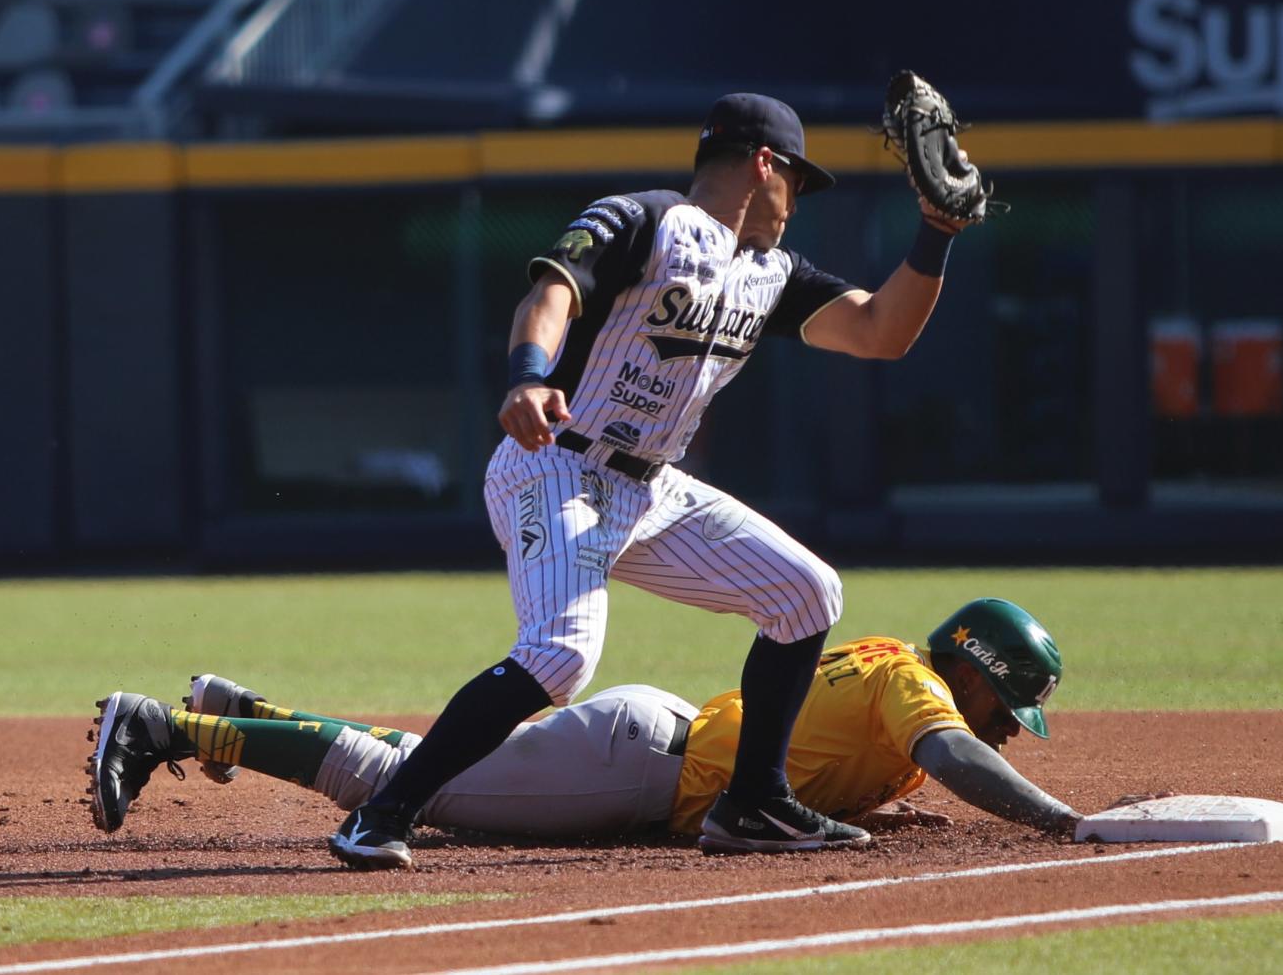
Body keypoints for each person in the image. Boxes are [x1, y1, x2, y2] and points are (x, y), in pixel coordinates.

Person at [325, 93, 969, 867]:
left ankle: (755, 803)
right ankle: (382, 813)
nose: (796, 202)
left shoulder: (770, 272)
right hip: (557, 464)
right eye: (796, 182)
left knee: (805, 593)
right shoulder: (645, 220)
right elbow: (550, 293)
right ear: (763, 163)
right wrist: (528, 376)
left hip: (651, 489)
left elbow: (879, 331)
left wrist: (937, 232)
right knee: (560, 655)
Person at [85, 599, 1082, 849]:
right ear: (972, 671)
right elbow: (957, 750)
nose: (1010, 728)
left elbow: (827, 752)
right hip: (636, 765)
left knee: (417, 760)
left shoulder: (893, 669)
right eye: (1010, 706)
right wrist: (1054, 818)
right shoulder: (917, 689)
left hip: (645, 743)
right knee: (398, 785)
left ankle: (244, 713)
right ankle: (166, 727)